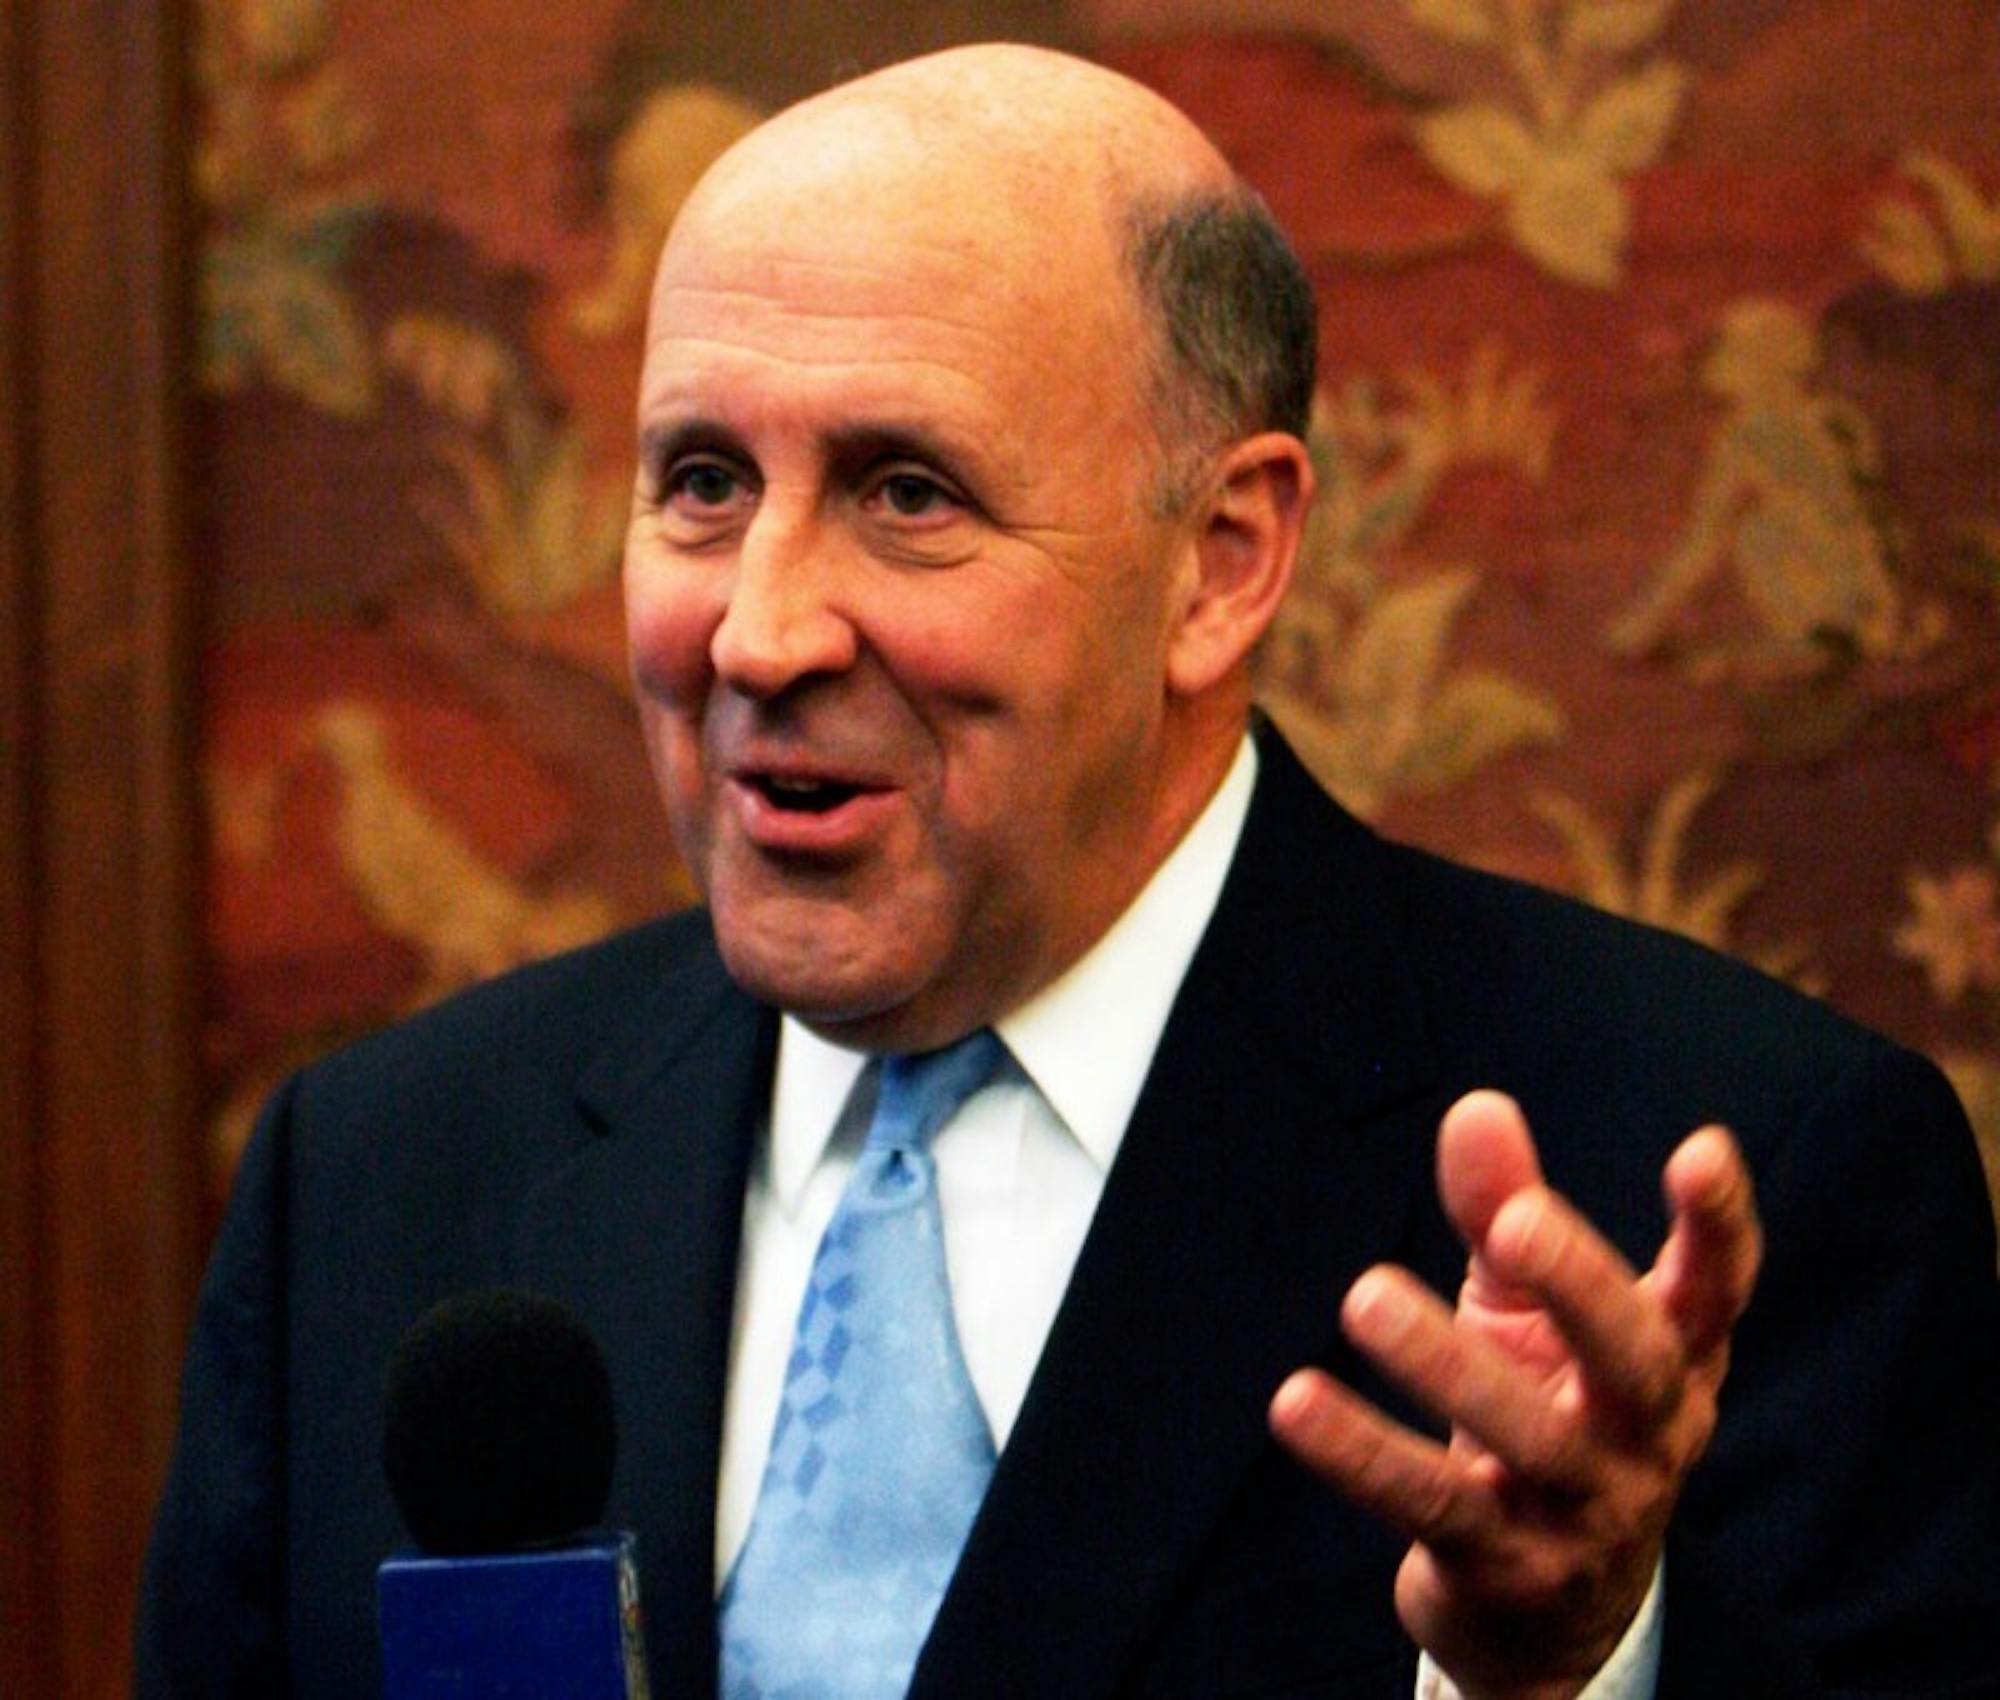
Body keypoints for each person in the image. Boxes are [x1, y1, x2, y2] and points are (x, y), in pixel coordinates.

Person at [137, 43, 1999, 1700]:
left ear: (1220, 561)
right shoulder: (378, 1181)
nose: (759, 633)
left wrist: (1577, 1666)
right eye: (703, 483)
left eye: (907, 494)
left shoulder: (1726, 1180)